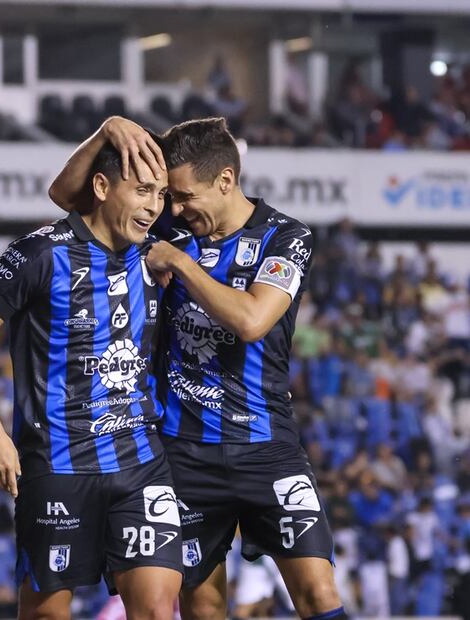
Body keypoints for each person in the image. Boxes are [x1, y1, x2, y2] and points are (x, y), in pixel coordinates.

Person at [48, 116, 345, 620]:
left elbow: (252, 320)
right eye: (170, 198)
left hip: (267, 449)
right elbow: (66, 196)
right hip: (182, 454)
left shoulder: (285, 237)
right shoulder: (170, 224)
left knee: (318, 594)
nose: (176, 210)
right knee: (203, 606)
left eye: (185, 197)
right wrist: (106, 132)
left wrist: (183, 264)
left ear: (226, 180)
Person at [0, 134, 182, 619]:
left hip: (141, 463)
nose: (153, 206)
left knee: (158, 610)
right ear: (100, 186)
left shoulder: (156, 254)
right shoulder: (40, 253)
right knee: (46, 614)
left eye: (160, 194)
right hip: (57, 465)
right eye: (141, 191)